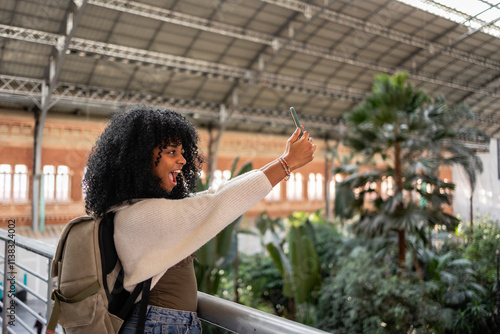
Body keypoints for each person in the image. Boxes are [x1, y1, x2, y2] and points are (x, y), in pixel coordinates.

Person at [82, 104, 316, 333]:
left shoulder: (127, 209)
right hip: (160, 325)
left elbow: (213, 195)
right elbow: (219, 202)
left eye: (182, 152)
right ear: (140, 159)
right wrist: (287, 163)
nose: (183, 161)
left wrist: (285, 161)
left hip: (159, 322)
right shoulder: (145, 215)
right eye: (171, 152)